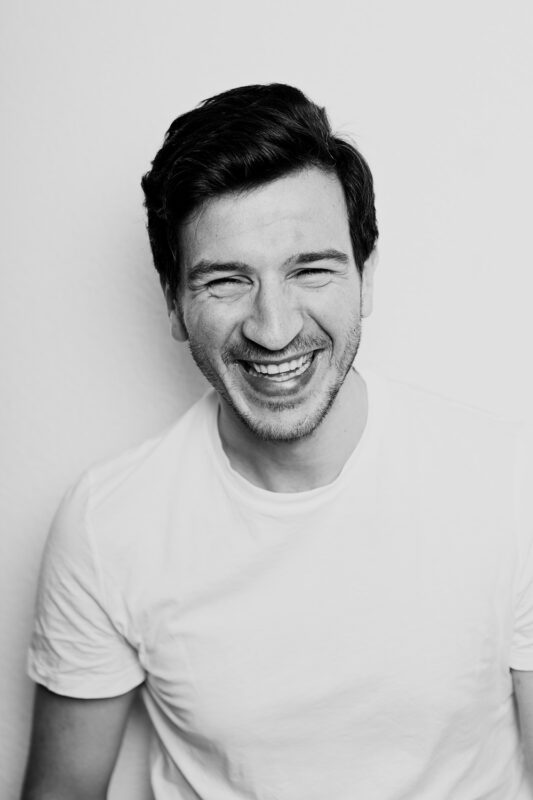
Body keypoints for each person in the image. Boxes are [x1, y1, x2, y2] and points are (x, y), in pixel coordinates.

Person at [21, 83, 533, 800]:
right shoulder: (108, 525)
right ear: (173, 303)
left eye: (310, 270)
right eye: (226, 281)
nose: (273, 327)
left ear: (365, 277)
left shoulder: (507, 484)